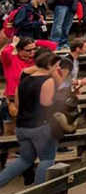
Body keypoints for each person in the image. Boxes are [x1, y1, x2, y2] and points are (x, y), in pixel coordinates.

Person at [0, 49, 60, 186]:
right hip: (40, 126)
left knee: (25, 159)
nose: (58, 68)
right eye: (56, 65)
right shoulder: (47, 81)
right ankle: (38, 192)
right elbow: (47, 103)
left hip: (22, 126)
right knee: (47, 159)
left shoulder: (24, 81)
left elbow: (18, 104)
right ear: (49, 65)